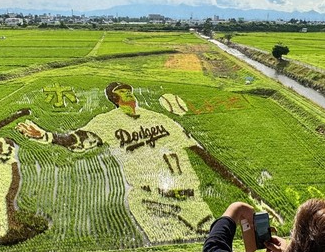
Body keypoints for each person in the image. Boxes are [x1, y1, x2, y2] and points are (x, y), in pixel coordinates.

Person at [17, 82, 214, 242]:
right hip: (151, 200)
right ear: (114, 98)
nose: (127, 94)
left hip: (191, 198)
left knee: (215, 248)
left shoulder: (158, 118)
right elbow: (76, 141)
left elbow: (198, 150)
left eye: (129, 91)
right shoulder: (105, 122)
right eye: (121, 92)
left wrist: (239, 184)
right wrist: (46, 136)